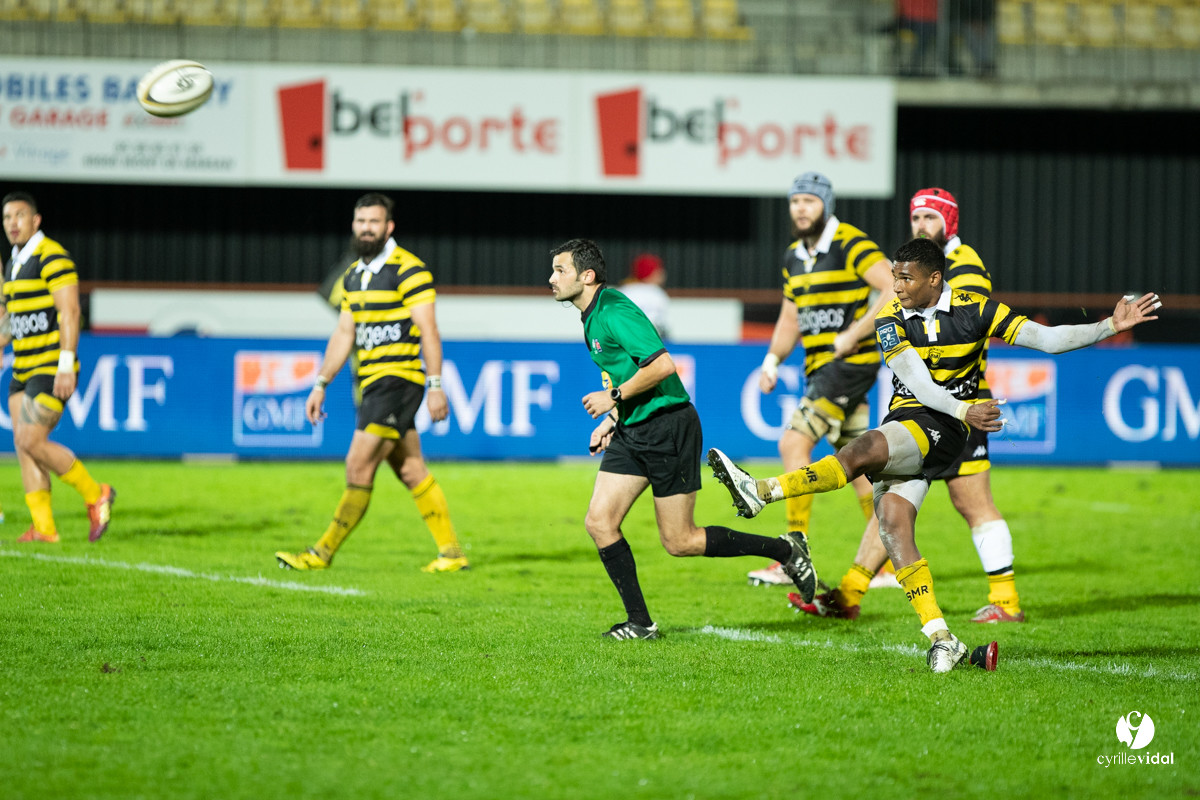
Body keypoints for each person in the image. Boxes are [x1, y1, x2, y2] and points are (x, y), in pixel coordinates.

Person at [709, 237, 1160, 672]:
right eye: (893, 278)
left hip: (942, 429)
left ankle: (761, 491)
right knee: (893, 529)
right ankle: (944, 639)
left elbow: (1046, 339)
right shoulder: (891, 317)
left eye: (905, 279)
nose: (897, 287)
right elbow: (917, 381)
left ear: (934, 279)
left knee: (861, 450)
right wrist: (968, 407)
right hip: (915, 419)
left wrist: (1109, 327)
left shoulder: (977, 308)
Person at [549, 238, 817, 640]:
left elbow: (662, 365)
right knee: (600, 522)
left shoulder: (614, 310)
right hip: (633, 427)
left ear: (586, 276)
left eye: (560, 270)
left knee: (680, 540)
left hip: (667, 427)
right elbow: (628, 372)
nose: (551, 279)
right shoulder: (590, 315)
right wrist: (613, 418)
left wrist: (614, 397)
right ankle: (640, 622)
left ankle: (785, 551)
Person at [792, 187, 1025, 624]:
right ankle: (849, 595)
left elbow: (962, 325)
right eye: (916, 218)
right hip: (920, 407)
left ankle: (1007, 603)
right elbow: (892, 307)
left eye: (931, 219)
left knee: (972, 502)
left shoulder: (966, 268)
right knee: (893, 502)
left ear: (949, 224)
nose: (921, 225)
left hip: (959, 407)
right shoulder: (916, 272)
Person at [276, 192, 467, 573]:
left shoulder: (409, 269)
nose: (366, 229)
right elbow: (344, 333)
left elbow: (429, 330)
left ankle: (321, 553)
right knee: (411, 468)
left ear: (388, 227)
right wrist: (320, 383)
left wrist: (434, 385)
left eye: (374, 222)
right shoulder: (352, 276)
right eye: (360, 222)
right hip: (372, 383)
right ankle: (451, 554)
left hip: (398, 381)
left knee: (357, 465)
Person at [746, 171, 895, 587]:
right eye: (795, 202)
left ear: (826, 204)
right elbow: (791, 316)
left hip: (848, 366)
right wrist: (773, 360)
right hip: (822, 368)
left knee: (793, 442)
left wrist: (855, 332)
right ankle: (888, 561)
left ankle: (794, 553)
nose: (801, 208)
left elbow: (892, 288)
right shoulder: (794, 255)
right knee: (861, 468)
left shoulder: (851, 242)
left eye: (810, 201)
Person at [2, 191, 115, 543]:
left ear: (36, 220)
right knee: (24, 447)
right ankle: (45, 528)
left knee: (29, 437)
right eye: (6, 218)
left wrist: (67, 363)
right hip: (23, 368)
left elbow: (70, 311)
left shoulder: (51, 255)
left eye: (19, 216)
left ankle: (96, 493)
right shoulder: (14, 262)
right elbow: (12, 318)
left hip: (51, 365)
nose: (12, 224)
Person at [617, 253, 670, 340]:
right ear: (650, 273)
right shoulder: (656, 293)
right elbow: (658, 325)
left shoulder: (623, 291)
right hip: (648, 342)